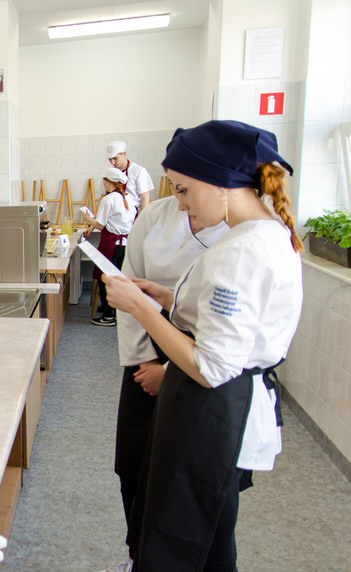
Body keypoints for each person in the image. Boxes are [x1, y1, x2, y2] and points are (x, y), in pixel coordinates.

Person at [104, 120, 303, 571]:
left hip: (211, 404)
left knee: (192, 534)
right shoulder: (266, 236)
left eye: (185, 190)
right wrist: (168, 297)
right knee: (195, 523)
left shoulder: (241, 251)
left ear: (221, 185)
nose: (181, 203)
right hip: (217, 400)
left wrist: (140, 307)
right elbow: (231, 322)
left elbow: (211, 366)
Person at [106, 196, 228, 572]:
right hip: (148, 349)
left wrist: (170, 373)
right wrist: (145, 359)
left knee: (187, 482)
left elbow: (219, 349)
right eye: (175, 187)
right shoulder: (158, 215)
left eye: (187, 189)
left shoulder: (243, 238)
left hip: (199, 365)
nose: (182, 201)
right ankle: (138, 554)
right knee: (133, 461)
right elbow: (132, 288)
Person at [83, 167, 136, 327]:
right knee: (118, 278)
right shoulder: (128, 198)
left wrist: (87, 218)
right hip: (124, 244)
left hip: (110, 244)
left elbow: (100, 225)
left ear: (107, 182)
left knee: (104, 279)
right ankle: (114, 310)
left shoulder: (109, 200)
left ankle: (108, 316)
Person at [107, 141, 154, 211]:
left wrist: (141, 218)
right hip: (113, 215)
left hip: (132, 214)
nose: (112, 162)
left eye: (115, 158)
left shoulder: (138, 171)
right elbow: (103, 195)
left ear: (124, 154)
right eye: (110, 159)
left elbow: (145, 198)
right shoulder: (109, 173)